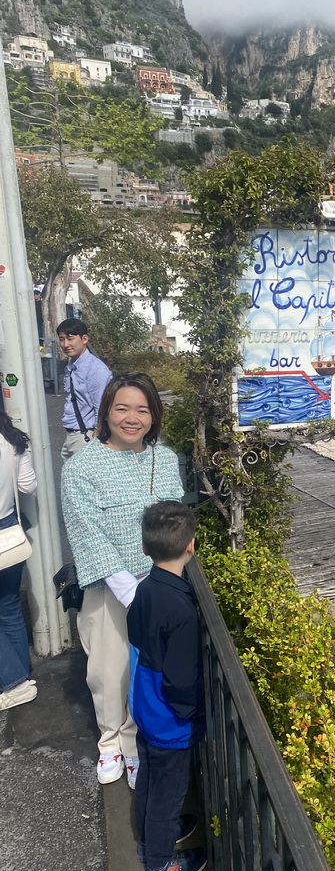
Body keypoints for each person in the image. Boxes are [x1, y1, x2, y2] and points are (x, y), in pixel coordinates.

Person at [61, 374, 185, 788]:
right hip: (109, 586)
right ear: (107, 413)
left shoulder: (164, 459)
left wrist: (165, 582)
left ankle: (133, 745)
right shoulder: (82, 466)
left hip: (159, 582)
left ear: (153, 415)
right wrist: (128, 589)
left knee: (146, 670)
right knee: (107, 668)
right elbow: (86, 529)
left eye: (142, 409)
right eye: (122, 408)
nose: (132, 418)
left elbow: (175, 520)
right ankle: (110, 741)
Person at [128, 500, 207, 871]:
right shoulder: (181, 610)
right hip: (168, 719)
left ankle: (149, 840)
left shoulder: (145, 590)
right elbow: (180, 681)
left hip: (143, 704)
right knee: (168, 792)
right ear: (191, 546)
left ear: (145, 549)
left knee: (149, 778)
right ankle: (158, 866)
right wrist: (195, 714)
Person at [0, 412, 38, 711]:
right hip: (9, 530)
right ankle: (21, 674)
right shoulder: (13, 440)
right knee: (9, 605)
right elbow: (27, 486)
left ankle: (14, 682)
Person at [57, 318, 112, 460]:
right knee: (70, 478)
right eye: (62, 339)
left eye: (70, 338)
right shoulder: (72, 364)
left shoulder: (96, 369)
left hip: (85, 435)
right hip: (72, 434)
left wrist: (97, 435)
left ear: (84, 339)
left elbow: (101, 405)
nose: (66, 344)